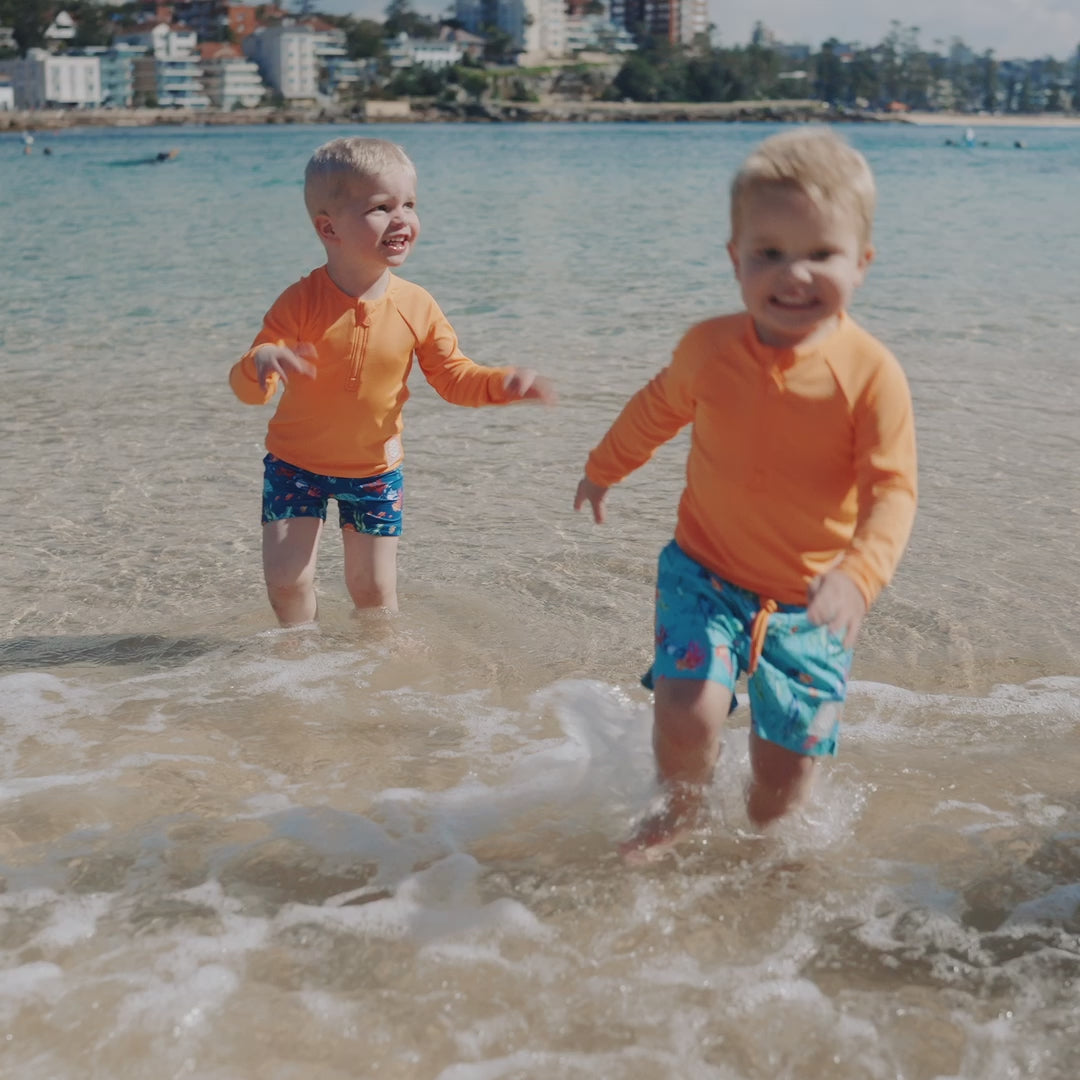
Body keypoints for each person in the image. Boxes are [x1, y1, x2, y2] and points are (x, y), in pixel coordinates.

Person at [573, 128, 917, 862]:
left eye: (820, 253)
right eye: (768, 252)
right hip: (706, 572)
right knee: (687, 710)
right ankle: (681, 812)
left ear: (863, 263)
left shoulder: (871, 374)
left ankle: (771, 854)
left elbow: (892, 491)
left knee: (777, 795)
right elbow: (657, 408)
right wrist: (605, 468)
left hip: (814, 600)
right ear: (736, 260)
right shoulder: (710, 348)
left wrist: (860, 577)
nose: (793, 274)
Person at [230, 136, 553, 626]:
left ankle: (381, 673)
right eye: (382, 207)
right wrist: (262, 363)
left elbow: (453, 377)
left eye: (409, 204)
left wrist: (498, 384)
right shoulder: (298, 302)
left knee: (373, 590)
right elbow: (251, 384)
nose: (402, 218)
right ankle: (296, 662)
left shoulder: (417, 305)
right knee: (285, 580)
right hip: (296, 464)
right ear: (328, 227)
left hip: (374, 471)